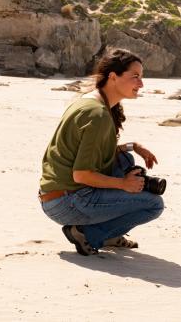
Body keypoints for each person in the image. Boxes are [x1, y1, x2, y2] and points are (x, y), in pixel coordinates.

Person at [38, 48, 164, 255]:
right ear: (113, 77)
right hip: (66, 201)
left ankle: (107, 232)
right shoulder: (97, 115)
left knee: (125, 159)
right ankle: (92, 234)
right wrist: (123, 184)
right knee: (153, 204)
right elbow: (81, 174)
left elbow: (92, 151)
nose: (141, 84)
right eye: (135, 77)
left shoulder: (91, 101)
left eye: (141, 77)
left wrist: (133, 146)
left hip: (55, 194)